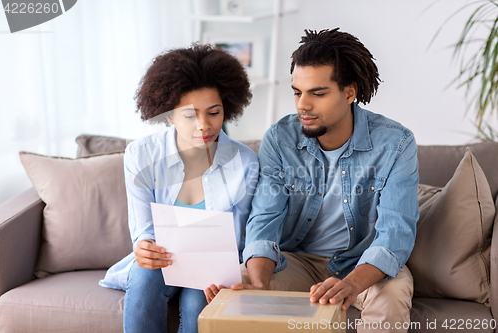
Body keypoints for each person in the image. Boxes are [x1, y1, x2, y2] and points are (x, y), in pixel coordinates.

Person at [205, 28, 419, 333]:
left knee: (393, 296)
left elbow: (395, 233)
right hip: (296, 261)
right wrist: (259, 285)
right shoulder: (280, 139)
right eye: (297, 92)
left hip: (362, 261)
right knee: (239, 287)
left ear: (349, 93)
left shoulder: (396, 143)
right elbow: (264, 220)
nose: (303, 105)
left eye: (317, 93)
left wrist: (349, 284)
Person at [99, 44, 259, 333]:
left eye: (214, 112)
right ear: (169, 115)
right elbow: (143, 231)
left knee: (199, 301)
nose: (204, 126)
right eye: (189, 115)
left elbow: (242, 237)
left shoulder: (245, 163)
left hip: (212, 264)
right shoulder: (141, 155)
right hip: (161, 262)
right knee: (146, 275)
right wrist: (144, 247)